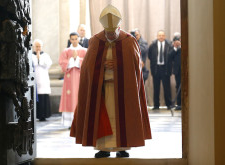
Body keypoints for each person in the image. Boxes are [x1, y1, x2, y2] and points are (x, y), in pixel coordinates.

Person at [70, 5, 151, 158]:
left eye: (113, 33)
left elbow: (135, 66)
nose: (111, 35)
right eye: (108, 33)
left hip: (123, 89)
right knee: (102, 117)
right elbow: (87, 67)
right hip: (102, 89)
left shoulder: (128, 40)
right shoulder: (95, 40)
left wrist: (118, 64)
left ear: (118, 27)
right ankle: (104, 148)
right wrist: (100, 66)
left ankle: (122, 147)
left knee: (122, 117)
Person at [59, 32, 87, 128]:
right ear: (70, 40)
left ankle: (81, 122)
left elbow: (87, 63)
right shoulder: (66, 51)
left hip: (80, 78)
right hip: (69, 80)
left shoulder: (84, 50)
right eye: (72, 39)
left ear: (79, 39)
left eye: (76, 38)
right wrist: (72, 60)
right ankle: (70, 123)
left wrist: (77, 59)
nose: (74, 41)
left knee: (80, 97)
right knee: (70, 98)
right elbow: (62, 63)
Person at [148, 30, 173, 110]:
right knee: (156, 88)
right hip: (156, 68)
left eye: (162, 35)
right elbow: (149, 56)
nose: (161, 37)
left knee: (167, 88)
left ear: (165, 36)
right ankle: (156, 105)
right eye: (159, 35)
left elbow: (171, 56)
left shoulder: (169, 45)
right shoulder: (153, 45)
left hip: (166, 68)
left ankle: (169, 104)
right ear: (157, 36)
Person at [32, 39, 52, 121]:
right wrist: (36, 59)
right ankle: (37, 115)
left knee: (44, 97)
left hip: (43, 80)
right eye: (36, 46)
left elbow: (48, 64)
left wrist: (39, 58)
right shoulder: (31, 55)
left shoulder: (46, 55)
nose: (38, 48)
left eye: (39, 46)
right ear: (34, 47)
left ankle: (44, 115)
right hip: (35, 79)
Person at [170, 32, 181, 110]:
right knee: (178, 87)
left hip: (186, 70)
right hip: (177, 71)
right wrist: (175, 47)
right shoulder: (174, 47)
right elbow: (169, 57)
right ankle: (179, 104)